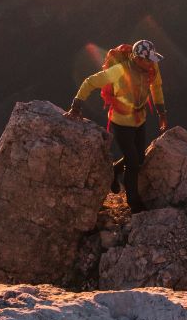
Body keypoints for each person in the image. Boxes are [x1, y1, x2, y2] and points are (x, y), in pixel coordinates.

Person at [66, 39, 167, 207]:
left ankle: (114, 170)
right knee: (133, 162)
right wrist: (76, 106)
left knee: (139, 158)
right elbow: (90, 82)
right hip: (121, 123)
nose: (152, 63)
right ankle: (134, 203)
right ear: (138, 59)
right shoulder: (120, 70)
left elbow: (156, 87)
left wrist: (162, 113)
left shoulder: (151, 67)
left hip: (139, 119)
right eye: (149, 60)